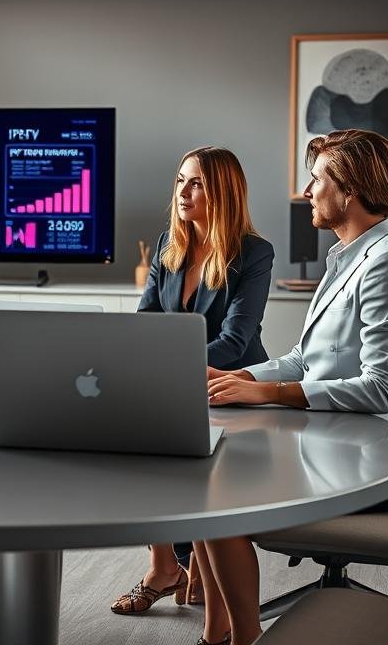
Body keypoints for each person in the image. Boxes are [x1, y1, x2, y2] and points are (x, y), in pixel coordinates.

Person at [200, 129, 388, 645]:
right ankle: (217, 629)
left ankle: (240, 638)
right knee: (204, 465)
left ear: (348, 190)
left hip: (368, 465)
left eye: (316, 179)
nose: (307, 190)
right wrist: (242, 377)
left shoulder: (387, 268)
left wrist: (271, 394)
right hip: (333, 440)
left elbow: (379, 388)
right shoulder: (349, 256)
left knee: (211, 490)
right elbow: (306, 359)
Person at [111, 147, 273, 620]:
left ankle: (188, 569)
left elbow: (234, 341)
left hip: (233, 389)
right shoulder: (170, 243)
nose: (184, 191)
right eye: (181, 180)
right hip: (177, 387)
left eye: (197, 182)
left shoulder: (253, 253)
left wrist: (165, 370)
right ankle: (166, 567)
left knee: (162, 448)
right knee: (129, 438)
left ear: (223, 190)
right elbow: (146, 321)